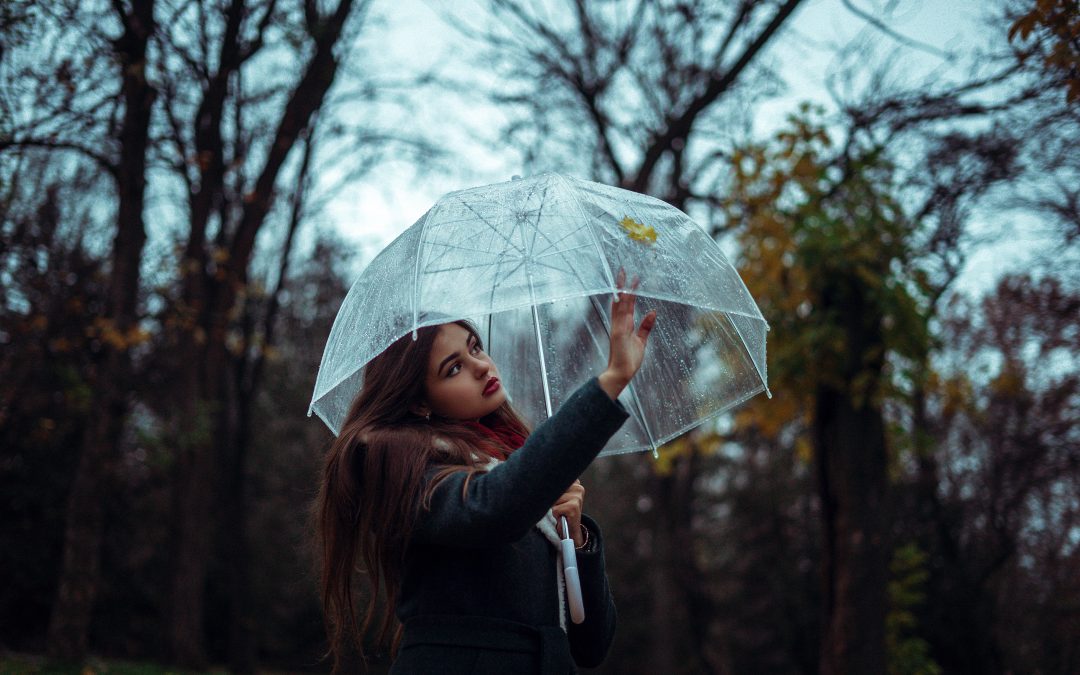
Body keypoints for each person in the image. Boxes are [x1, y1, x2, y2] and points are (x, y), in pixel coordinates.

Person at [315, 270, 657, 674]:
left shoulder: (516, 466)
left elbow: (592, 644)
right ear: (419, 402)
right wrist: (611, 381)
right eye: (453, 368)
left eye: (474, 347)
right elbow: (492, 508)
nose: (480, 366)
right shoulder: (402, 467)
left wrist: (576, 536)